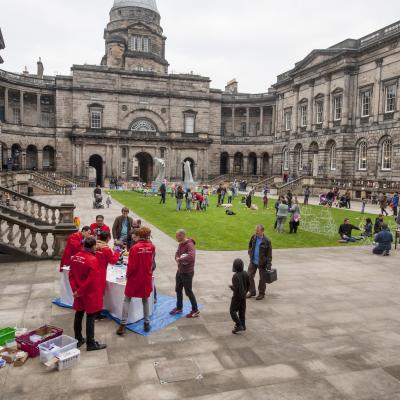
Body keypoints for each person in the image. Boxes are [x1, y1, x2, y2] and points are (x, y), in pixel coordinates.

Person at [69, 237, 107, 351]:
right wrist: (80, 292)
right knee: (91, 316)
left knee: (79, 314)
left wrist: (76, 291)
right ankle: (90, 343)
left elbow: (71, 275)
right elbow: (92, 280)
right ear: (93, 246)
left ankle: (78, 338)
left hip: (79, 292)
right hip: (89, 293)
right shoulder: (92, 259)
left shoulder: (75, 257)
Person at [116, 227, 155, 335]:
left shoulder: (134, 248)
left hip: (134, 278)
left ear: (139, 235)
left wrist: (127, 276)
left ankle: (123, 325)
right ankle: (146, 323)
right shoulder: (152, 246)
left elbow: (131, 266)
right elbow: (151, 263)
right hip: (146, 277)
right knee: (145, 300)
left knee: (127, 299)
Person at [169, 229, 200, 318]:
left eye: (177, 236)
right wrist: (177, 258)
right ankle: (179, 307)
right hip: (180, 271)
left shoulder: (190, 245)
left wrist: (180, 259)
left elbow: (191, 257)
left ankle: (195, 310)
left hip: (187, 272)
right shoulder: (181, 244)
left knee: (188, 291)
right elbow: (177, 253)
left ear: (182, 235)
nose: (176, 237)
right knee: (178, 289)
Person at [95, 231, 122, 320]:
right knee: (99, 293)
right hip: (100, 273)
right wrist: (117, 250)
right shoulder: (106, 249)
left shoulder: (94, 245)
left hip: (93, 270)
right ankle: (97, 313)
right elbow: (113, 261)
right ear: (108, 238)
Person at [247, 225, 272, 301]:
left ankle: (261, 293)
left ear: (262, 231)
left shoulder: (267, 241)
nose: (256, 233)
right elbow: (250, 245)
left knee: (262, 279)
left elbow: (269, 254)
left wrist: (268, 264)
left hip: (262, 263)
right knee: (249, 276)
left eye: (257, 231)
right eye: (256, 231)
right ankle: (252, 291)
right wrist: (250, 252)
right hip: (253, 261)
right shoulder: (254, 237)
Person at [229, 259, 250, 334]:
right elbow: (248, 285)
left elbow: (236, 289)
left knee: (232, 311)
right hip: (243, 296)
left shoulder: (235, 276)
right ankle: (243, 325)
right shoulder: (245, 273)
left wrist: (232, 287)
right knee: (242, 311)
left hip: (237, 297)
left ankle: (239, 324)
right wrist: (245, 292)